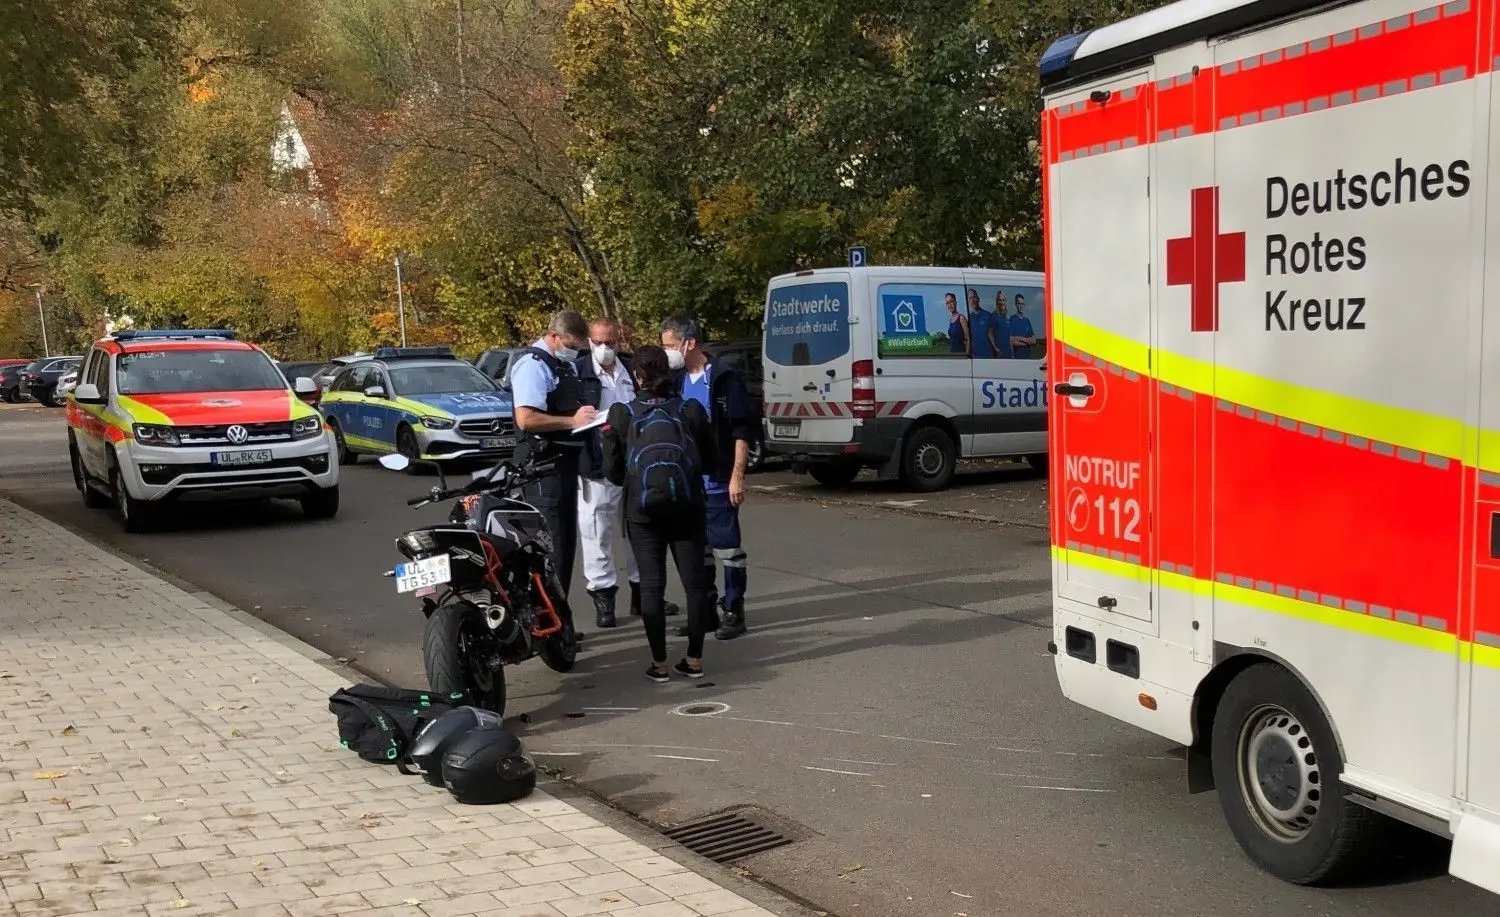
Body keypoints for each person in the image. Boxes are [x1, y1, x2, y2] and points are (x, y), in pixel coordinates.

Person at [600, 345, 717, 682]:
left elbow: (612, 472)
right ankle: (694, 660)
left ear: (636, 375)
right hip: (688, 505)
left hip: (643, 510)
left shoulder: (621, 414)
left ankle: (660, 665)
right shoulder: (690, 409)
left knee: (652, 586)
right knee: (695, 584)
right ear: (670, 371)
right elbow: (710, 460)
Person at [574, 317, 678, 627]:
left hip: (636, 463)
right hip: (596, 464)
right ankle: (603, 599)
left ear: (619, 341)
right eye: (598, 342)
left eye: (611, 342)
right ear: (588, 342)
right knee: (596, 533)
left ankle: (643, 595)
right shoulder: (578, 373)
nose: (605, 349)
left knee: (639, 532)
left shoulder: (633, 370)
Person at [660, 313, 754, 640]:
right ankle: (705, 612)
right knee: (697, 552)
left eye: (671, 345)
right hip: (686, 483)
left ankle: (733, 610)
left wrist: (736, 476)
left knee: (727, 549)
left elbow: (743, 431)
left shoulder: (726, 379)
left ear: (690, 342)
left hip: (718, 479)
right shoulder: (674, 382)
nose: (667, 352)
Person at [508, 310, 595, 623]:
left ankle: (558, 619)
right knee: (552, 546)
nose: (575, 350)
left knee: (565, 545)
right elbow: (526, 418)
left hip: (562, 463)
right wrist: (572, 421)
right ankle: (547, 622)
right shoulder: (532, 366)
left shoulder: (562, 364)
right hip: (542, 467)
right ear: (555, 336)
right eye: (571, 343)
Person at [1009, 293, 1037, 359]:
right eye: (1019, 304)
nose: (1021, 306)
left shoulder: (1027, 321)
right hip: (1016, 359)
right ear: (1016, 305)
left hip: (1027, 358)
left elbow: (1033, 341)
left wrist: (1019, 338)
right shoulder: (1011, 320)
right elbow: (1011, 341)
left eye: (1023, 304)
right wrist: (1027, 342)